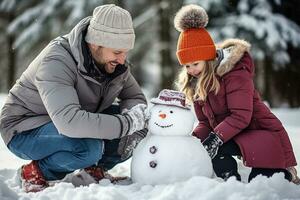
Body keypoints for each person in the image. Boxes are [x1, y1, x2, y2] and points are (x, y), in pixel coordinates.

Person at [0, 4, 148, 192]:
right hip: (24, 128)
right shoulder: (57, 59)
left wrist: (133, 117)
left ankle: (93, 170)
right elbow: (69, 122)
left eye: (125, 52)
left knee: (140, 127)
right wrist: (125, 124)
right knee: (88, 147)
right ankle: (36, 171)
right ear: (95, 43)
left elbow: (135, 97)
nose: (122, 59)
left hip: (72, 121)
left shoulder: (113, 63)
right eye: (117, 52)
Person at [174, 4, 299, 184]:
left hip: (262, 134)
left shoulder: (235, 74)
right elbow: (204, 122)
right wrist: (194, 141)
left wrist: (215, 139)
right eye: (187, 65)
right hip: (237, 135)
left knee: (262, 182)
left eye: (195, 63)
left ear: (208, 59)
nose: (191, 70)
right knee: (207, 149)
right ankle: (230, 183)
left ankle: (286, 173)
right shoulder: (197, 82)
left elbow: (241, 116)